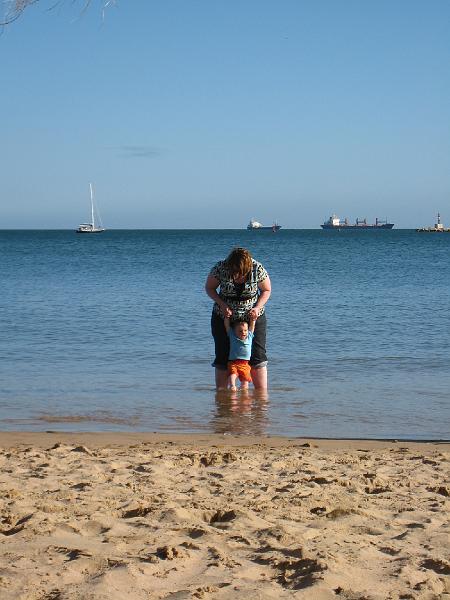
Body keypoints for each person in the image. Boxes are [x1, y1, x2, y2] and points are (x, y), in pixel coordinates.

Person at [205, 247, 271, 389]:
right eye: (234, 271)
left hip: (253, 316)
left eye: (240, 272)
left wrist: (257, 307)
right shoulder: (220, 267)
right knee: (223, 355)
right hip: (223, 315)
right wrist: (222, 304)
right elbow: (209, 288)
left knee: (257, 356)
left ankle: (261, 396)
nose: (237, 275)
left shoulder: (257, 268)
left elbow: (266, 290)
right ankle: (222, 395)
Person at [224, 315, 256, 391]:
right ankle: (232, 386)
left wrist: (253, 319)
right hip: (234, 362)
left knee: (245, 379)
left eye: (245, 330)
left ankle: (244, 389)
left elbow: (252, 327)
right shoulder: (232, 336)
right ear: (235, 332)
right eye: (240, 331)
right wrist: (226, 317)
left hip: (245, 363)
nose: (243, 332)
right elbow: (227, 326)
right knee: (233, 374)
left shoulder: (249, 336)